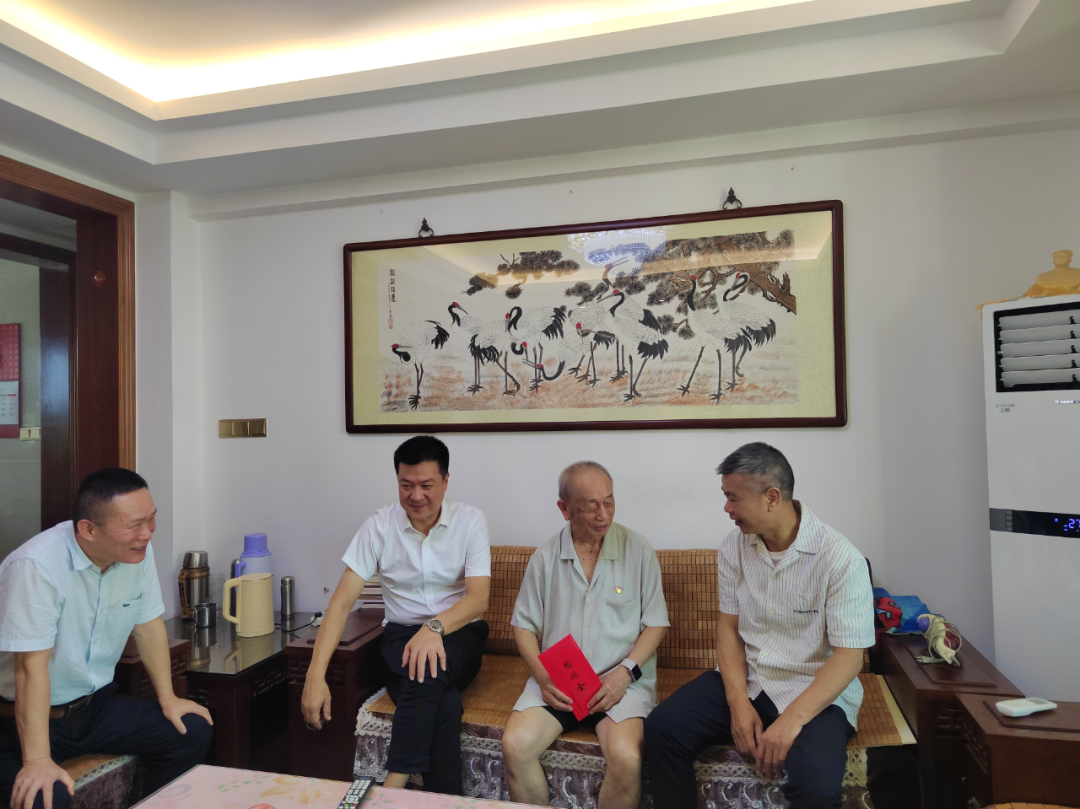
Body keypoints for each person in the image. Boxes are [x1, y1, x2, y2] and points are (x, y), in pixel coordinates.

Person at [644, 443, 874, 809]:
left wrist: (791, 720)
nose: (726, 508)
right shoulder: (733, 547)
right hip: (750, 678)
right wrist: (737, 703)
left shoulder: (840, 558)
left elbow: (850, 656)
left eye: (732, 498)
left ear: (772, 497)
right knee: (662, 728)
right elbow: (729, 628)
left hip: (814, 689)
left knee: (815, 784)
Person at [0, 468, 213, 809]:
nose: (147, 534)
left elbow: (148, 625)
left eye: (151, 520)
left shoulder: (135, 553)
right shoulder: (35, 566)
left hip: (93, 708)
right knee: (42, 796)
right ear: (88, 529)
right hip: (18, 720)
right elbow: (29, 668)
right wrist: (37, 760)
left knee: (191, 728)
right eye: (135, 524)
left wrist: (169, 698)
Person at [301, 436, 490, 795]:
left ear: (446, 481)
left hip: (460, 634)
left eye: (426, 485)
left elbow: (478, 599)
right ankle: (445, 801)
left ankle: (390, 791)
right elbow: (340, 604)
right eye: (406, 485)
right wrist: (315, 675)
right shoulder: (379, 526)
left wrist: (434, 628)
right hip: (401, 636)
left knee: (430, 667)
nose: (415, 496)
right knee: (445, 702)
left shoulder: (470, 521)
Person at [502, 461, 668, 809]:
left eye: (609, 501)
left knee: (626, 757)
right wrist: (541, 675)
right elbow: (523, 625)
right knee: (515, 745)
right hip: (560, 680)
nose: (602, 514)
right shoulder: (545, 557)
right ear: (565, 509)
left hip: (621, 682)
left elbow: (656, 624)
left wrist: (625, 674)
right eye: (590, 505)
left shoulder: (638, 551)